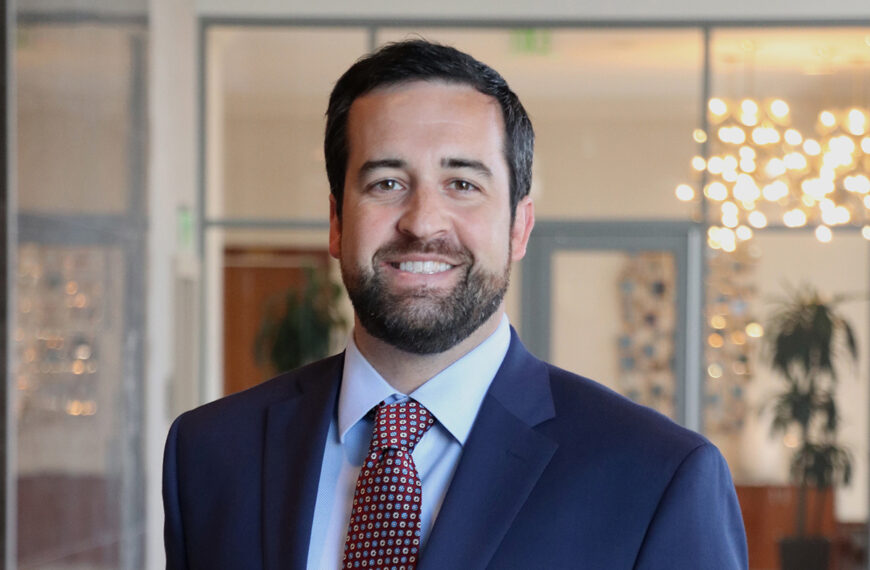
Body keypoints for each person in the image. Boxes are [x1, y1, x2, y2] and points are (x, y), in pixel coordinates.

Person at [163, 40, 748, 569]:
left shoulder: (657, 477)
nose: (422, 222)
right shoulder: (210, 453)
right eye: (386, 183)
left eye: (463, 184)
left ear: (519, 226)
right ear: (338, 222)